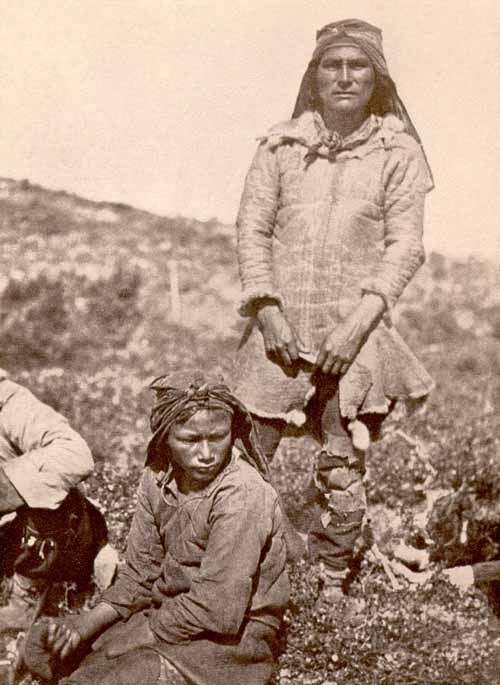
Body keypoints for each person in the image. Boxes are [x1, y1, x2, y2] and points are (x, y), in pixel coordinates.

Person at [231, 19, 434, 610]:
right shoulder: (280, 147)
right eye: (332, 65)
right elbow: (252, 229)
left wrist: (358, 322)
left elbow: (406, 246)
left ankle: (330, 582)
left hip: (359, 334)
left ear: (378, 78)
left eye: (358, 66)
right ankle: (240, 576)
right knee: (242, 461)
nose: (344, 76)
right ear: (313, 77)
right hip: (278, 332)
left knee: (342, 464)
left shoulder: (398, 154)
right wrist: (266, 307)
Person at [24, 371, 289, 685]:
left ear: (232, 431)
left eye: (217, 437)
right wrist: (83, 625)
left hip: (231, 640)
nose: (206, 453)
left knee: (121, 673)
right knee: (45, 648)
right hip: (168, 615)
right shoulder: (158, 475)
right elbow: (139, 572)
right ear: (166, 437)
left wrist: (144, 634)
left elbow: (218, 606)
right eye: (190, 440)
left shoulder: (242, 495)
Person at [0, 369, 101, 632]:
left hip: (37, 535)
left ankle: (27, 595)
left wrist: (7, 485)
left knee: (45, 492)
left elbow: (75, 456)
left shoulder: (12, 404)